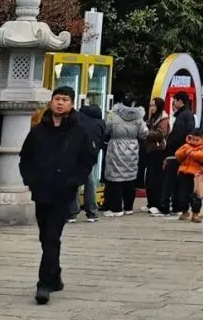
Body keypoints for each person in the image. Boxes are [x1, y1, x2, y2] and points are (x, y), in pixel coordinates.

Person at [18, 86, 97, 305]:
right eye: (57, 99)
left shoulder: (79, 132)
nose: (60, 103)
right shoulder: (38, 131)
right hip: (41, 191)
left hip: (63, 192)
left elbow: (87, 160)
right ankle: (55, 274)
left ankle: (43, 284)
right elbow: (26, 158)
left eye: (64, 99)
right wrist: (30, 180)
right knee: (46, 236)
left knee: (52, 235)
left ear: (71, 104)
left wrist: (74, 180)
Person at [102, 97, 147, 216]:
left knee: (115, 179)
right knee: (130, 178)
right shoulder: (139, 117)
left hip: (116, 148)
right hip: (132, 149)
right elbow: (144, 133)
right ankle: (128, 208)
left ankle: (116, 209)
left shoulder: (113, 115)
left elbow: (107, 129)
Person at [157, 93, 197, 217]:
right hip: (181, 153)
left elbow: (178, 136)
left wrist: (168, 149)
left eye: (174, 101)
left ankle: (167, 207)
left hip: (177, 153)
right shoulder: (188, 115)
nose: (173, 104)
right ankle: (177, 206)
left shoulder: (182, 116)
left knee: (170, 181)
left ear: (180, 101)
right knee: (179, 181)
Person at [70, 99, 105, 221]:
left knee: (73, 182)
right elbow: (102, 140)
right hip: (89, 155)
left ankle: (72, 213)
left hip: (74, 153)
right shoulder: (100, 122)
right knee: (90, 182)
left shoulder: (78, 117)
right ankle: (92, 212)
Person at [172, 131, 203, 222]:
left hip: (196, 176)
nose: (194, 142)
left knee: (196, 196)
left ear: (202, 139)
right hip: (184, 174)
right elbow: (177, 155)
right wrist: (186, 152)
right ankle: (184, 211)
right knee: (183, 194)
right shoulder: (186, 146)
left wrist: (193, 153)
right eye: (193, 139)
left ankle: (195, 214)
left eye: (197, 140)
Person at [142, 97, 169, 214]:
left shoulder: (163, 119)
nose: (151, 108)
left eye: (153, 105)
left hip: (158, 151)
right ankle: (151, 203)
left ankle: (157, 204)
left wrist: (147, 133)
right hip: (150, 150)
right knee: (149, 178)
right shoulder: (152, 118)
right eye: (150, 105)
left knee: (156, 178)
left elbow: (161, 134)